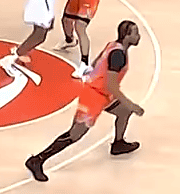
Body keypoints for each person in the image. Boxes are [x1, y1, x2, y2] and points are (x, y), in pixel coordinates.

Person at [25, 21, 144, 182]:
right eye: (135, 33)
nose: (138, 36)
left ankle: (118, 144)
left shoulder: (114, 45)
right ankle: (37, 160)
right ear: (127, 36)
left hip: (103, 92)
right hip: (94, 95)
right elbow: (112, 86)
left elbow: (96, 63)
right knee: (75, 134)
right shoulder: (118, 56)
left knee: (123, 112)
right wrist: (132, 105)